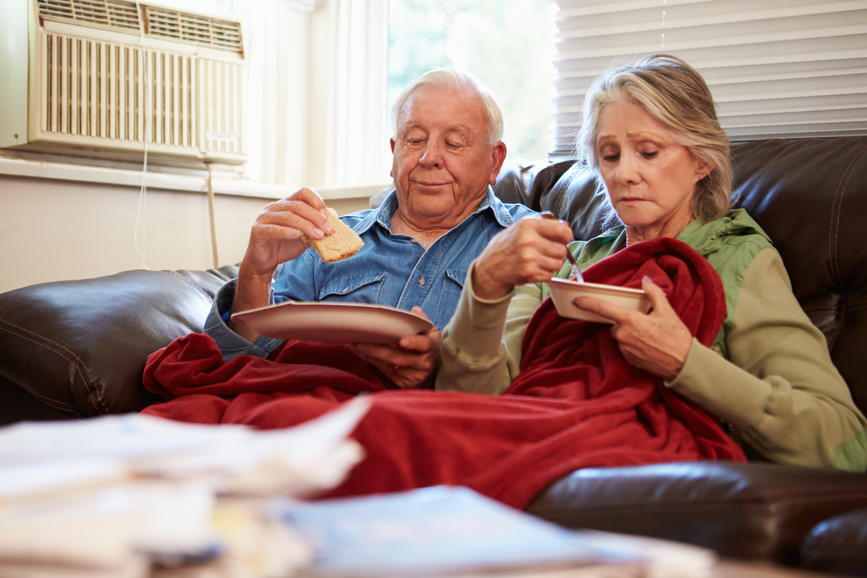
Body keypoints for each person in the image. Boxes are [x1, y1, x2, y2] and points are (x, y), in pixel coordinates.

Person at [436, 54, 867, 472]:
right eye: (609, 155)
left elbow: (844, 443)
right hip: (530, 441)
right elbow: (467, 403)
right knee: (389, 420)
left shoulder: (736, 260)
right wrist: (485, 284)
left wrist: (685, 362)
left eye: (648, 151)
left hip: (630, 469)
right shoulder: (563, 266)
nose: (624, 174)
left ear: (702, 160)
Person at [202, 67, 534, 389]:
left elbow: (530, 374)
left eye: (454, 142)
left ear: (495, 161)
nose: (429, 157)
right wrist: (256, 274)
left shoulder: (526, 241)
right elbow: (241, 362)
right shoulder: (323, 238)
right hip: (309, 414)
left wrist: (444, 366)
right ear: (394, 153)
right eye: (414, 139)